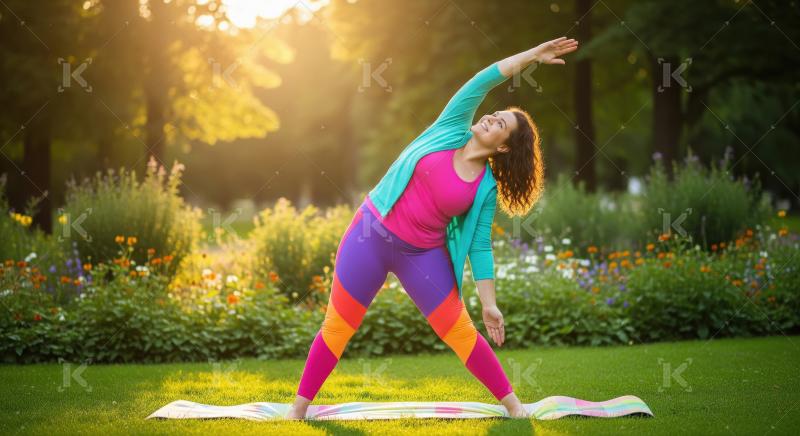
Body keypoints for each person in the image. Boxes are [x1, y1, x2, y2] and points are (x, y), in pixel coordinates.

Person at [287, 36, 579, 420]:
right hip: (370, 235)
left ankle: (514, 407)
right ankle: (297, 412)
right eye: (496, 114)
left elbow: (479, 247)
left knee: (460, 331)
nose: (491, 117)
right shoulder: (450, 126)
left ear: (504, 147)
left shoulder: (485, 187)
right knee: (338, 327)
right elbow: (482, 80)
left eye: (500, 124)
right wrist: (532, 57)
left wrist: (489, 304)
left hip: (421, 255)